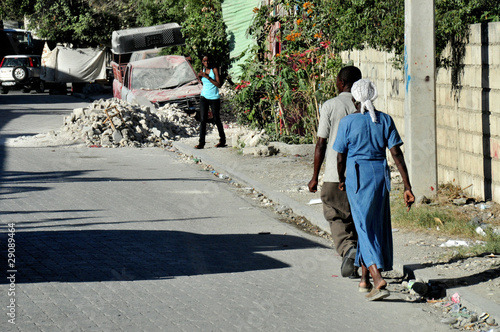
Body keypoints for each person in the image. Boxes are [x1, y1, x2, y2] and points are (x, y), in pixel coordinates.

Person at [333, 79, 415, 301]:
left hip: (358, 178)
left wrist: (341, 178)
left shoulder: (348, 122)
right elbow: (396, 154)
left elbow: (340, 156)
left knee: (362, 227)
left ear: (354, 99)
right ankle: (364, 280)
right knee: (372, 226)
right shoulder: (385, 119)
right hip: (380, 177)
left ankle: (377, 277)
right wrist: (407, 186)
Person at [308, 66, 362, 278]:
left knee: (335, 214)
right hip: (361, 175)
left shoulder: (330, 105)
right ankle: (360, 261)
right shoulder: (366, 107)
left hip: (334, 175)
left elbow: (321, 144)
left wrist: (314, 176)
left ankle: (348, 249)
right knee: (357, 218)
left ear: (340, 82)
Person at [195, 54, 226, 149]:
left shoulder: (214, 70)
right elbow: (201, 80)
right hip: (204, 96)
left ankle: (222, 140)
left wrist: (207, 77)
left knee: (216, 119)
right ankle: (201, 143)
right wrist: (200, 76)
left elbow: (218, 84)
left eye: (208, 61)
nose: (206, 63)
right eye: (204, 61)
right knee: (203, 119)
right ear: (202, 62)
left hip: (214, 98)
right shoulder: (203, 70)